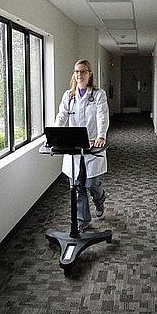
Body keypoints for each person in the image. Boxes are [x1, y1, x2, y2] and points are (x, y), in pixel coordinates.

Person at [54, 59, 109, 232]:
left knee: (91, 183)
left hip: (93, 143)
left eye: (83, 72)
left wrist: (101, 135)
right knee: (77, 186)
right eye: (77, 72)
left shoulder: (98, 94)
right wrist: (56, 134)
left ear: (90, 74)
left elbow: (102, 115)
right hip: (74, 145)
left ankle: (100, 201)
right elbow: (62, 116)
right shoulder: (68, 95)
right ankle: (83, 220)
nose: (79, 75)